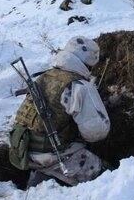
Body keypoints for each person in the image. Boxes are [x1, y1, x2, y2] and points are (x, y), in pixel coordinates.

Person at [9, 36, 110, 187]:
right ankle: (49, 179)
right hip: (54, 156)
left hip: (22, 150)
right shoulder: (79, 86)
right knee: (109, 176)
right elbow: (96, 132)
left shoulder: (43, 76)